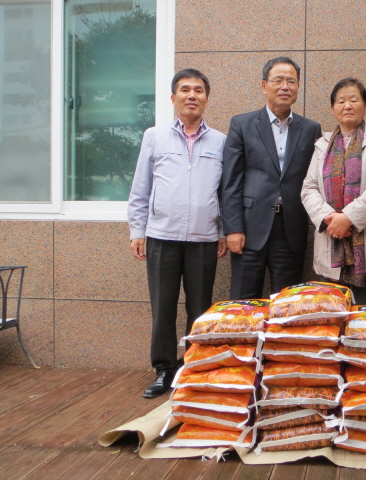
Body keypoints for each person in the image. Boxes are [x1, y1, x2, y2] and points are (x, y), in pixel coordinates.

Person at [128, 68, 227, 399]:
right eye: (185, 90)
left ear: (206, 99)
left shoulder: (220, 141)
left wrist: (224, 231)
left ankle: (192, 367)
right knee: (163, 307)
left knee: (199, 309)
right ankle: (164, 369)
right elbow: (141, 188)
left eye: (199, 90)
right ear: (173, 98)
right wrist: (137, 230)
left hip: (203, 239)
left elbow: (225, 192)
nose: (192, 96)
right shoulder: (154, 136)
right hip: (161, 237)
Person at [221, 57, 322, 299]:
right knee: (244, 304)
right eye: (278, 80)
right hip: (249, 228)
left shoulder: (311, 129)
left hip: (291, 230)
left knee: (286, 305)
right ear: (264, 85)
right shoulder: (242, 124)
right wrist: (233, 228)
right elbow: (231, 181)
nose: (285, 86)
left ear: (298, 87)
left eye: (291, 81)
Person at [301, 77, 366, 303]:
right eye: (341, 101)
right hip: (331, 241)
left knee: (364, 318)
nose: (347, 106)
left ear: (365, 105)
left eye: (354, 100)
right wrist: (329, 218)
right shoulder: (322, 145)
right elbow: (309, 188)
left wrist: (349, 218)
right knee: (331, 316)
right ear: (333, 108)